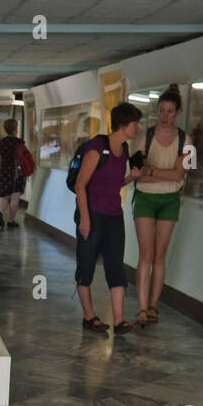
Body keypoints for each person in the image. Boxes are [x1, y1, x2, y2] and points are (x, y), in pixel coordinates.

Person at [74, 101, 144, 335]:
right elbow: (80, 185)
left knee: (116, 268)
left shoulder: (123, 150)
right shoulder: (96, 147)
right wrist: (85, 219)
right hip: (93, 216)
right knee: (86, 268)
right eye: (135, 124)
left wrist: (131, 177)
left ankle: (119, 320)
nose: (138, 128)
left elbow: (113, 184)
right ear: (123, 125)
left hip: (114, 216)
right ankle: (89, 316)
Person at [133, 84, 187, 327]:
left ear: (177, 113)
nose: (165, 116)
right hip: (145, 197)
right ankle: (142, 307)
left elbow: (179, 177)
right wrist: (166, 172)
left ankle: (154, 305)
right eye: (161, 111)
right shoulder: (144, 137)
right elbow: (139, 175)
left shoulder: (186, 140)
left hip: (169, 199)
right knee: (145, 254)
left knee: (159, 256)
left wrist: (153, 170)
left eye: (170, 111)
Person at [0, 118, 27, 228]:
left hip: (4, 172)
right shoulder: (19, 142)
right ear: (15, 129)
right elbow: (24, 159)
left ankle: (0, 211)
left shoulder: (1, 142)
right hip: (16, 174)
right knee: (14, 197)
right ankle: (11, 221)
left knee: (4, 196)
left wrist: (3, 168)